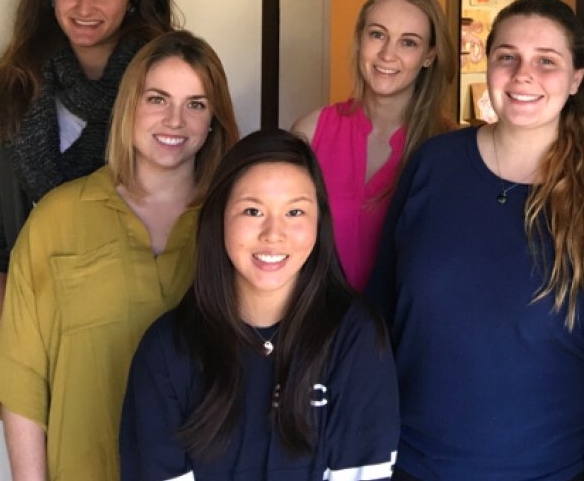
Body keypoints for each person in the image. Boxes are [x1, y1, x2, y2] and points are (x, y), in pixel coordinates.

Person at [366, 0, 584, 480]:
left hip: (547, 471)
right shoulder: (433, 164)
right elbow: (380, 305)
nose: (524, 75)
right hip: (413, 465)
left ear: (576, 79)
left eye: (546, 61)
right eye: (508, 57)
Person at [0, 31, 239, 481]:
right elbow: (22, 380)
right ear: (129, 105)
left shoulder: (236, 223)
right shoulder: (57, 217)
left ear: (213, 118)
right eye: (157, 99)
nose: (175, 120)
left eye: (196, 104)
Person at [120, 129, 399, 480]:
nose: (273, 234)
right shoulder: (166, 350)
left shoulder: (354, 338)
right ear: (219, 217)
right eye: (252, 211)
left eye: (295, 212)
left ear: (319, 222)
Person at [0, 0, 176, 326]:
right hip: (36, 322)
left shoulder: (170, 90)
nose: (84, 9)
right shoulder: (8, 94)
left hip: (149, 330)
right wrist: (20, 339)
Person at [292, 0, 454, 292]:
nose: (387, 54)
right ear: (360, 38)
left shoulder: (447, 148)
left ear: (429, 55)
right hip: (316, 329)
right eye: (377, 34)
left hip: (400, 334)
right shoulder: (310, 132)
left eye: (408, 42)